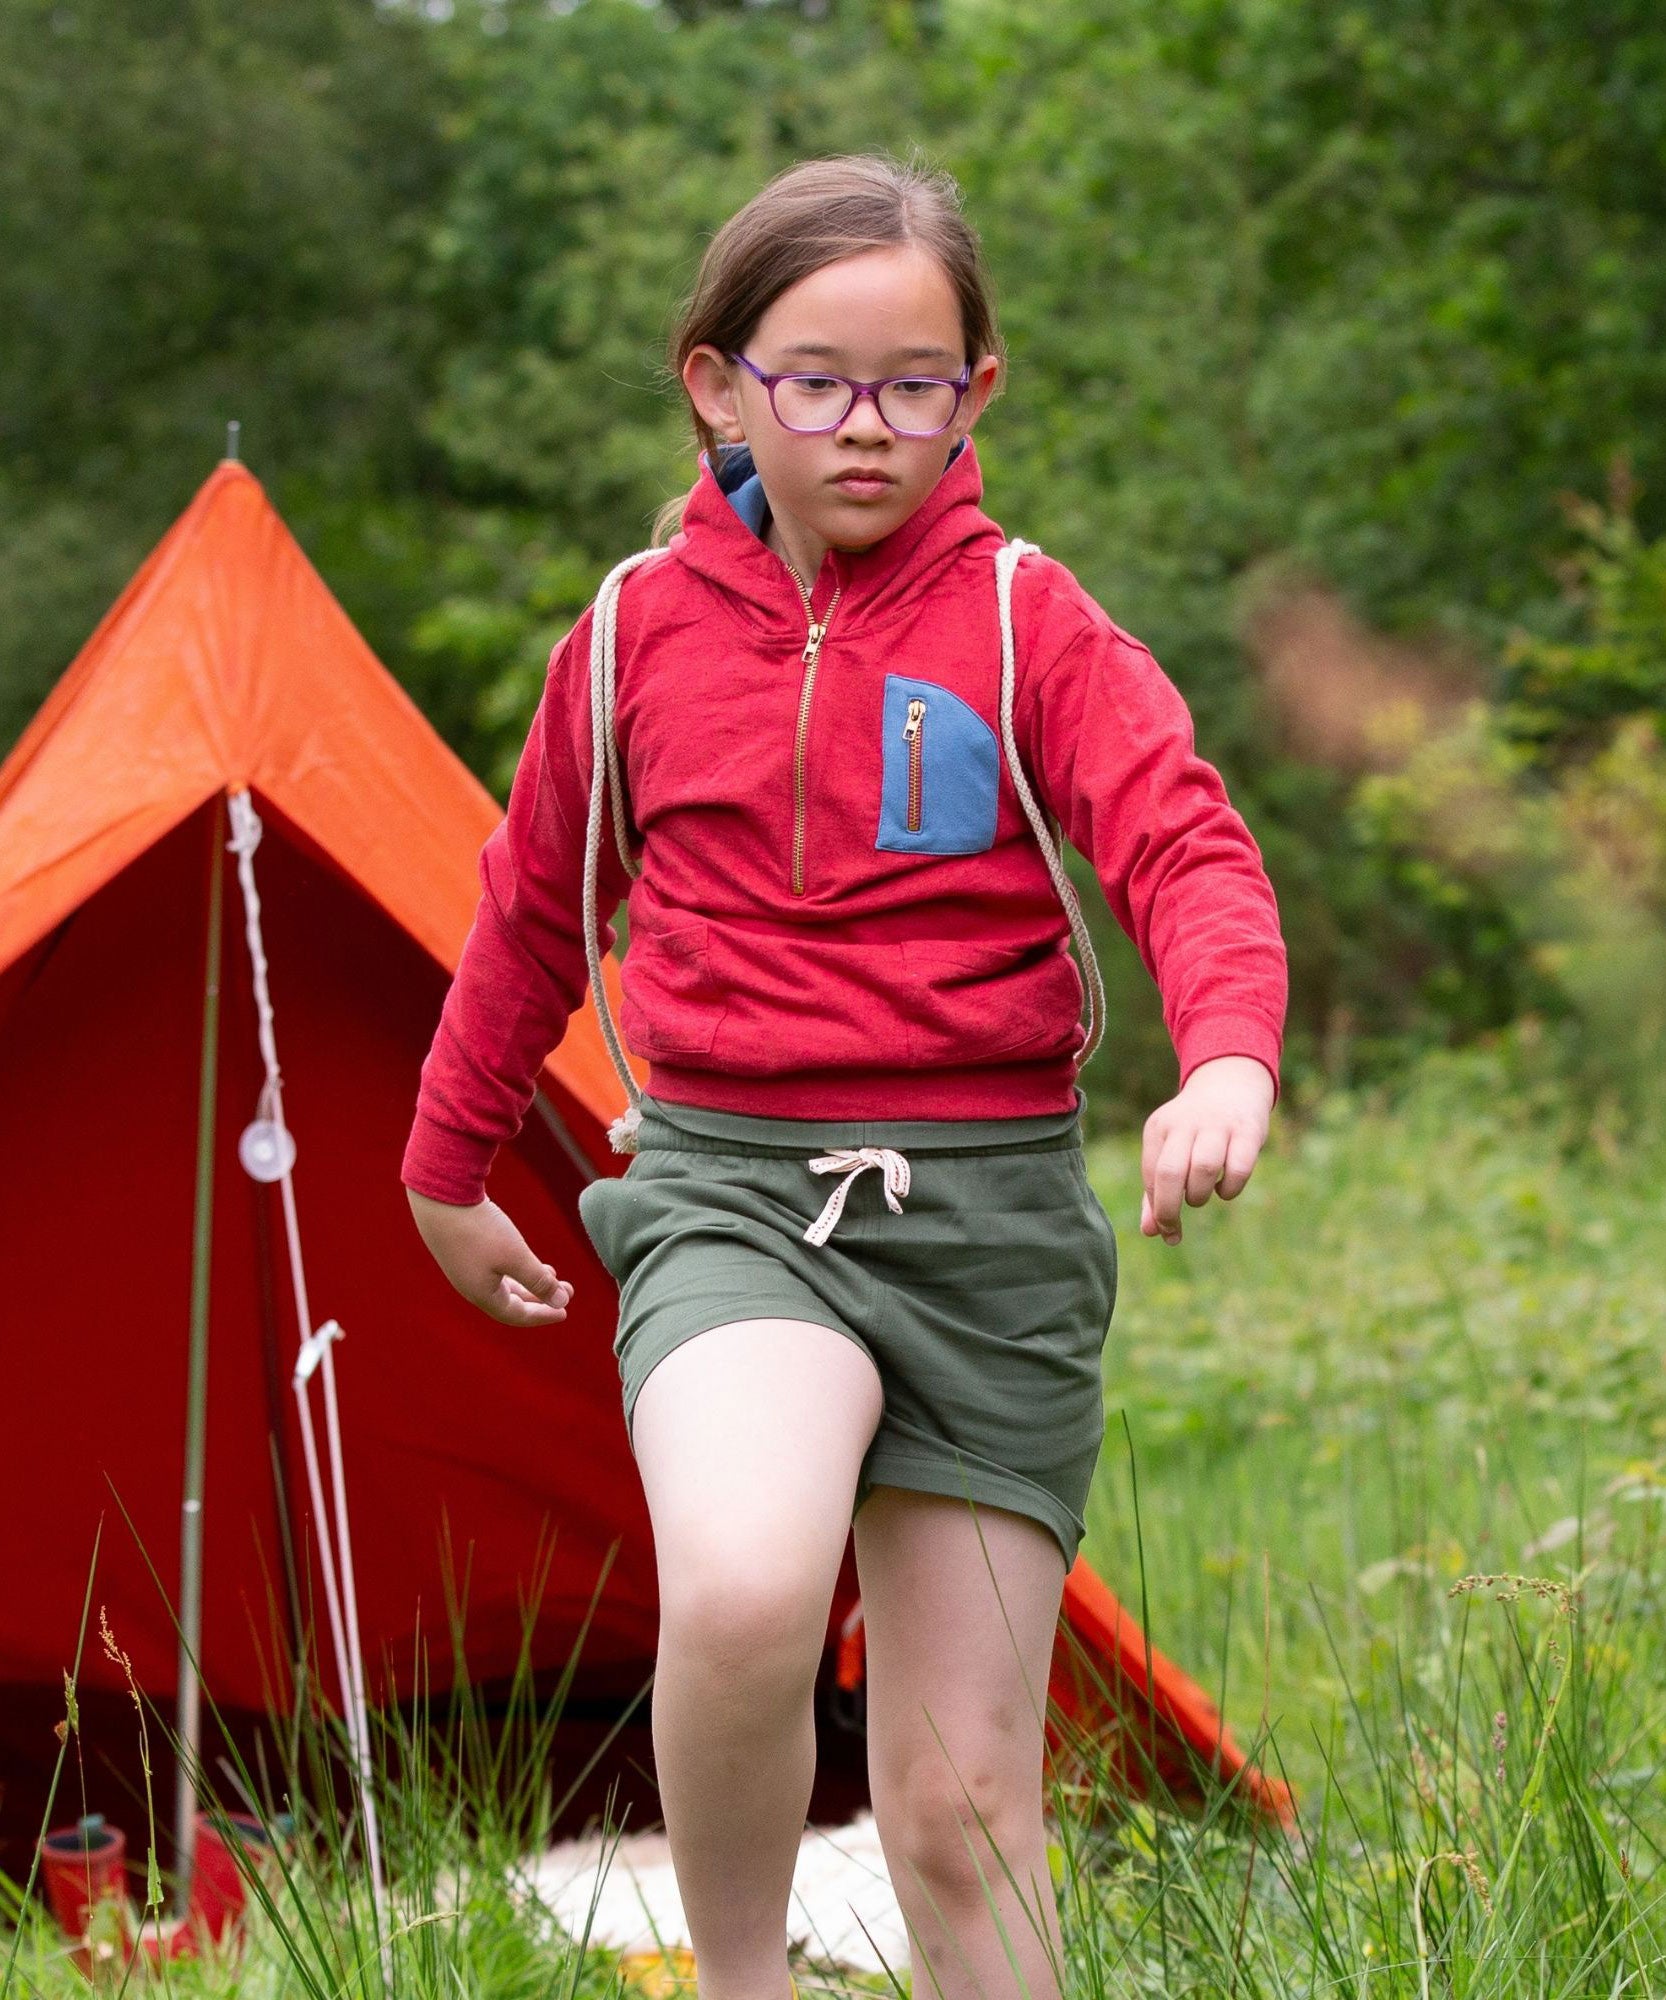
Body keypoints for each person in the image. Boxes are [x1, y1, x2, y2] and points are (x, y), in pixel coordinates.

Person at [402, 153, 1286, 2000]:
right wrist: (445, 1162)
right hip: (735, 1194)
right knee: (738, 1586)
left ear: (976, 391)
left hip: (987, 1228)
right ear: (718, 383)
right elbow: (526, 910)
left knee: (961, 1818)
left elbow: (1183, 849)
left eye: (910, 382)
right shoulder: (635, 634)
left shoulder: (1029, 619)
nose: (863, 424)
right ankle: (744, 1983)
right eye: (814, 378)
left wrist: (1223, 1054)